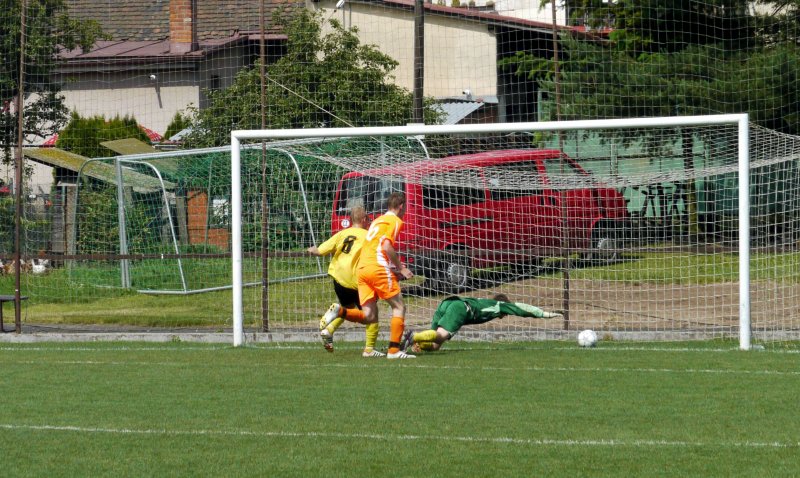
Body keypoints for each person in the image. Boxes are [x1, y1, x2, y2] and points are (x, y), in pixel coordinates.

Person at [308, 206, 379, 356]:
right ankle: (369, 349)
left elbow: (320, 250)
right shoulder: (368, 236)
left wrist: (312, 249)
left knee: (349, 309)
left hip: (338, 279)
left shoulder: (342, 234)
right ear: (364, 219)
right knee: (371, 313)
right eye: (368, 218)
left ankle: (329, 330)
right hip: (356, 280)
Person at [355, 191, 415, 359]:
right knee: (399, 307)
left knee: (368, 314)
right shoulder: (395, 220)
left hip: (363, 268)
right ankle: (394, 351)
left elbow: (375, 246)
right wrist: (401, 268)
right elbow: (387, 247)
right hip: (377, 267)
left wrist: (392, 270)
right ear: (401, 206)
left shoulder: (377, 220)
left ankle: (339, 312)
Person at [400, 293, 561, 353]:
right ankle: (413, 336)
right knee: (441, 336)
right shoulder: (499, 306)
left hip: (448, 302)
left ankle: (413, 343)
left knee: (435, 345)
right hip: (460, 308)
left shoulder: (485, 303)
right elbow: (521, 309)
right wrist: (545, 314)